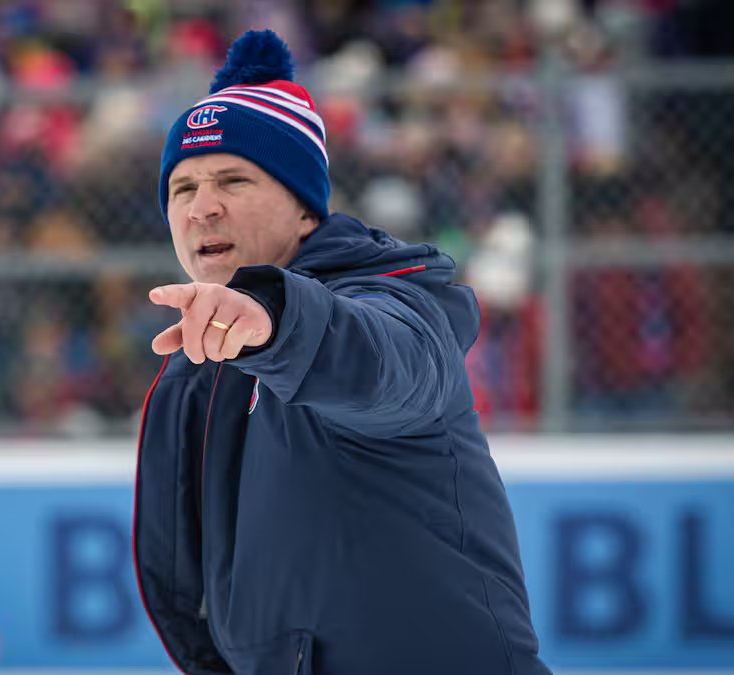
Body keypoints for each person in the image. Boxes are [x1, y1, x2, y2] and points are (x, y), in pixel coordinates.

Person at [132, 30, 552, 675]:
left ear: (304, 208)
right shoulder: (201, 360)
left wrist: (276, 325)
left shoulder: (394, 306)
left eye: (232, 180)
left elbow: (383, 368)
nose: (201, 208)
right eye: (182, 188)